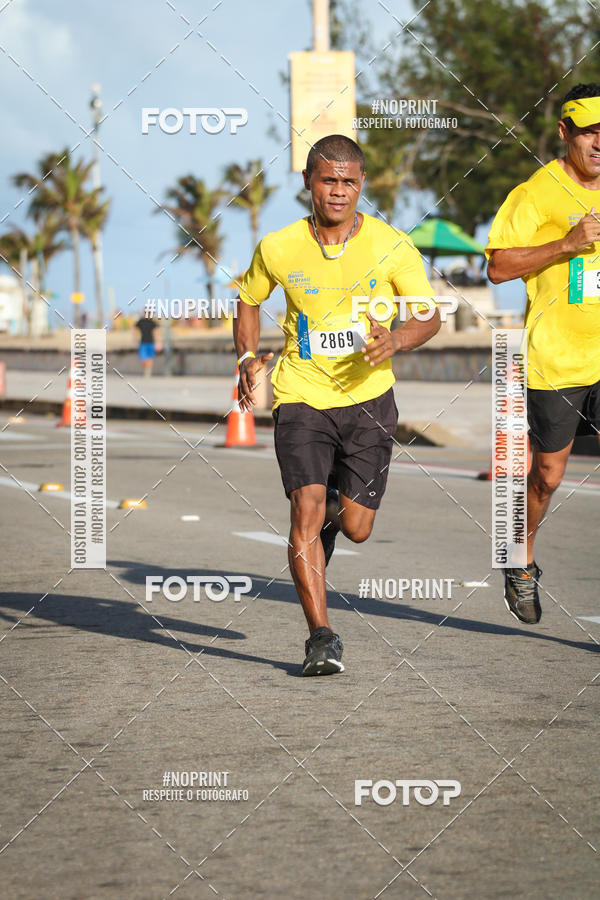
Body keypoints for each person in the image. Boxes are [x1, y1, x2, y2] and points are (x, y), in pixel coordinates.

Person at [233, 134, 440, 676]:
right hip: (301, 394)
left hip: (369, 398)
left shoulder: (392, 245)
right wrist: (249, 356)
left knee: (356, 527)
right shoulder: (278, 247)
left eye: (349, 181)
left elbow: (428, 315)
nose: (339, 191)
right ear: (308, 182)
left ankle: (328, 517)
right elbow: (249, 300)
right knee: (304, 507)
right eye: (329, 180)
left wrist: (394, 340)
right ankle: (320, 636)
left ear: (362, 184)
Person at [487, 83, 600, 625]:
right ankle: (519, 556)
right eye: (590, 133)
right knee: (548, 476)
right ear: (565, 133)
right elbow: (499, 266)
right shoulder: (536, 192)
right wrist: (566, 244)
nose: (599, 143)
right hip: (555, 358)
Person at [135, 312, 158, 377]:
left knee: (150, 358)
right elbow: (136, 329)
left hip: (151, 342)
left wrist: (158, 342)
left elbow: (156, 332)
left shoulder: (152, 322)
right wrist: (136, 338)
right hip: (143, 342)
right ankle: (146, 369)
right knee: (142, 359)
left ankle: (148, 372)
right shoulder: (140, 321)